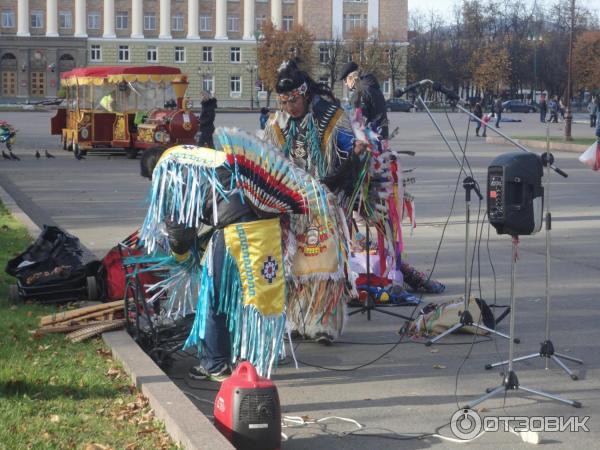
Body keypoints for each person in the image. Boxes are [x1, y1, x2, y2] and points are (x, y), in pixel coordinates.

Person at [140, 138, 336, 379]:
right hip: (268, 228)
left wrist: (180, 255)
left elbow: (179, 226)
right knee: (257, 298)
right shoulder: (201, 155)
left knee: (217, 298)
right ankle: (257, 358)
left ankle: (215, 364)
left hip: (237, 232)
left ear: (153, 170)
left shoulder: (169, 169)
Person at [263, 59, 365, 344]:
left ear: (305, 93)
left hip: (323, 202)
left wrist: (354, 154)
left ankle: (323, 324)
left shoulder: (331, 117)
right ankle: (296, 320)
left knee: (324, 262)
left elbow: (347, 151)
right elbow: (269, 161)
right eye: (283, 102)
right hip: (292, 205)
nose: (288, 107)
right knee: (294, 264)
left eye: (293, 100)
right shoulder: (276, 123)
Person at [339, 61, 389, 139]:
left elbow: (357, 121)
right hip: (380, 136)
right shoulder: (373, 87)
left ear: (352, 78)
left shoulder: (361, 92)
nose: (345, 84)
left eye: (345, 80)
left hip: (368, 141)